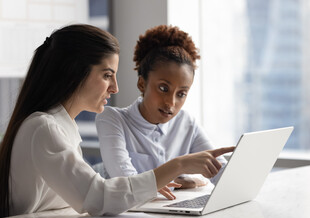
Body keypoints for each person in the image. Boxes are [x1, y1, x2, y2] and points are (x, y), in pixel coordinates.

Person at [0, 24, 234, 218]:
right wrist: (177, 166)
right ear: (74, 72)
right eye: (107, 75)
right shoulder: (43, 128)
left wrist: (151, 182)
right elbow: (97, 196)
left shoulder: (62, 127)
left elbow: (83, 195)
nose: (115, 88)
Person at [95, 25, 229, 200]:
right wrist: (181, 176)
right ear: (142, 84)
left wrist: (180, 181)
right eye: (163, 88)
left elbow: (224, 176)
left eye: (181, 94)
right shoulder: (112, 119)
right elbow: (127, 187)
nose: (171, 103)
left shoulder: (186, 122)